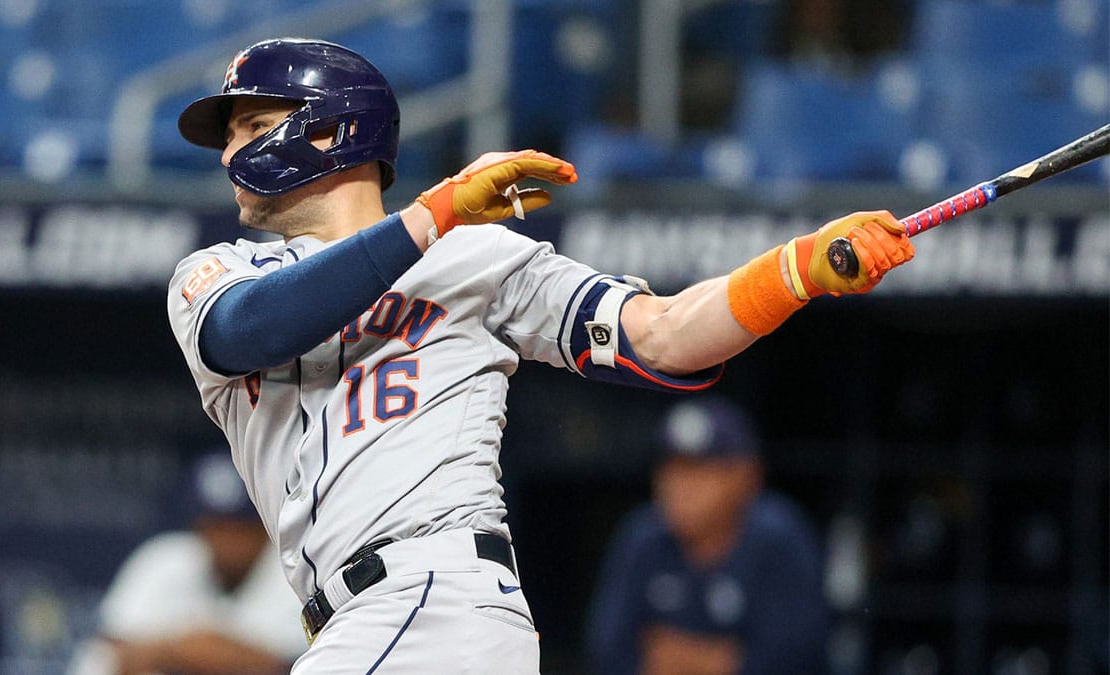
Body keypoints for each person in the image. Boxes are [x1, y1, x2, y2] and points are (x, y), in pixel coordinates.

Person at [165, 37, 913, 673]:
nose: (231, 150)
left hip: (435, 599)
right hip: (355, 620)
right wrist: (438, 212)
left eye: (253, 123)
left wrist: (794, 270)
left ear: (330, 131)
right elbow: (251, 330)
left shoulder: (475, 257)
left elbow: (663, 333)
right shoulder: (217, 275)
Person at [584, 397, 829, 675]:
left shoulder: (779, 536)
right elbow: (607, 652)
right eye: (672, 468)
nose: (679, 485)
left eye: (699, 469)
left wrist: (683, 659)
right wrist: (718, 659)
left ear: (746, 475)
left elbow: (799, 659)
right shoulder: (643, 536)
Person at [67, 452, 307, 675]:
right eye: (215, 526)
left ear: (266, 527)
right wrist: (180, 650)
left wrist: (180, 653)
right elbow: (108, 657)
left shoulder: (298, 566)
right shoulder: (165, 558)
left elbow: (291, 664)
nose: (225, 541)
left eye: (240, 528)